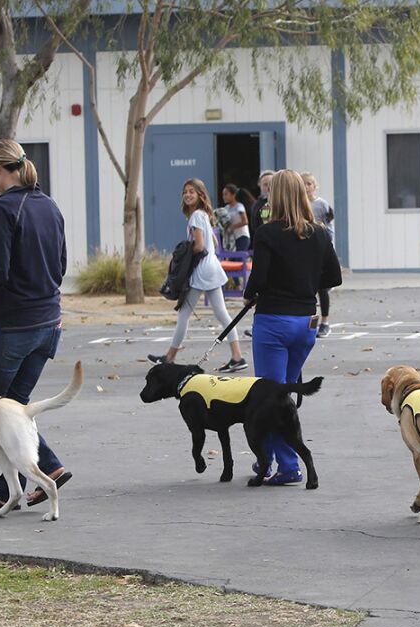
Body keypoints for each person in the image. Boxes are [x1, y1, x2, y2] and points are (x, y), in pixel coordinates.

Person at [0, 139, 73, 511]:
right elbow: (60, 266)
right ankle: (7, 488)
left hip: (13, 326)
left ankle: (51, 468)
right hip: (49, 323)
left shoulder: (3, 209)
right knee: (16, 406)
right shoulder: (51, 207)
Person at [245, 169, 343, 485]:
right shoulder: (319, 233)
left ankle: (284, 465)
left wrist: (253, 292)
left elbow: (258, 280)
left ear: (274, 196)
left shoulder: (267, 233)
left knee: (269, 398)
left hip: (273, 321)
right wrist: (305, 280)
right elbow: (333, 278)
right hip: (307, 322)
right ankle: (271, 459)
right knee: (283, 393)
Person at [146, 179, 249, 373]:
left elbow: (199, 245)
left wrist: (184, 254)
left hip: (202, 269)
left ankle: (169, 358)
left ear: (200, 195)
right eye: (185, 192)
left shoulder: (196, 217)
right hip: (212, 267)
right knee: (221, 313)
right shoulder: (203, 215)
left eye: (192, 191)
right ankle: (237, 356)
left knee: (184, 313)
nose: (188, 195)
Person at [302, 172, 337, 337]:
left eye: (309, 183)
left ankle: (325, 322)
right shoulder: (298, 205)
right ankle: (311, 323)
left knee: (322, 289)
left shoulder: (322, 205)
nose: (307, 187)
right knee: (309, 290)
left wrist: (327, 246)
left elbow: (329, 226)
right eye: (304, 184)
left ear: (315, 186)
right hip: (305, 251)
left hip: (321, 250)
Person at [221, 184, 251, 251]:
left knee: (239, 259)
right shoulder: (226, 208)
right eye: (223, 195)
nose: (224, 197)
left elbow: (245, 221)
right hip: (232, 239)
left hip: (242, 237)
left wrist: (232, 227)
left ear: (233, 195)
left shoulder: (239, 206)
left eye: (226, 194)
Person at [249, 170, 273, 241]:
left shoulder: (283, 202)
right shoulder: (257, 204)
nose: (269, 187)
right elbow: (254, 225)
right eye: (265, 184)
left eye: (271, 184)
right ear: (260, 185)